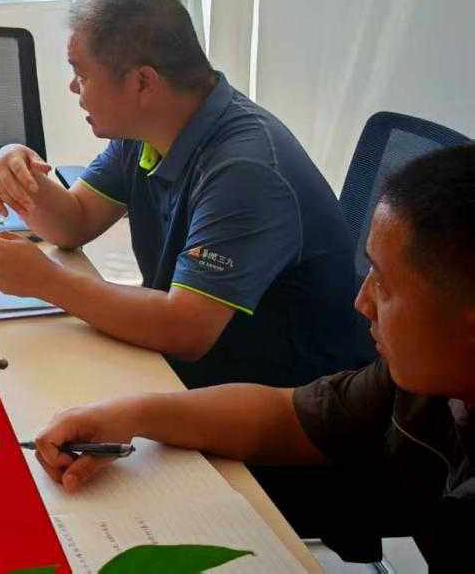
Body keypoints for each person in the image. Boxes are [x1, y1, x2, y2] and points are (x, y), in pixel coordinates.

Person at [32, 144, 475, 568]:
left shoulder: (248, 169)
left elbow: (184, 329)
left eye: (385, 285)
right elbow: (288, 416)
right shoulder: (413, 379)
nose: (362, 302)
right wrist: (131, 415)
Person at [0, 0, 370, 388]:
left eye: (82, 75)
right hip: (196, 377)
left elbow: (186, 330)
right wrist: (13, 165)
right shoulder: (146, 131)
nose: (74, 88)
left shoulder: (245, 171)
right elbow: (74, 221)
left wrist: (48, 281)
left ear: (143, 82)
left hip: (281, 403)